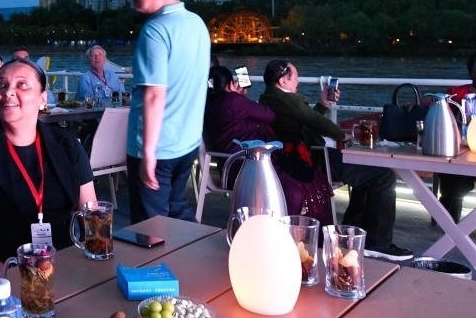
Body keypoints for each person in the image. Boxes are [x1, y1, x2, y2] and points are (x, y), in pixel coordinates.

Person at [0, 58, 97, 275]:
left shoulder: (67, 145)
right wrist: (16, 279)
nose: (8, 92)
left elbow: (92, 216)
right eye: (1, 85)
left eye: (22, 85)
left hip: (63, 269)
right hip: (1, 274)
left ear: (42, 99)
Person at [260, 59, 412, 261]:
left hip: (301, 157)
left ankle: (351, 234)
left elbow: (305, 120)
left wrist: (323, 104)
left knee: (369, 174)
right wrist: (342, 136)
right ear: (283, 81)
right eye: (295, 77)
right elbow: (314, 120)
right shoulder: (283, 100)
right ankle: (378, 243)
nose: (298, 81)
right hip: (311, 160)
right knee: (383, 176)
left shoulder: (271, 99)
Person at [126, 0, 210, 222]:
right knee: (176, 214)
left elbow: (154, 94)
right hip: (187, 144)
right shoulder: (197, 23)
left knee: (150, 228)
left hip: (158, 149)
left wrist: (148, 154)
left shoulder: (156, 30)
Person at [203, 66, 333, 225]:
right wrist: (240, 97)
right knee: (301, 186)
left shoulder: (209, 105)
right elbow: (269, 115)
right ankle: (286, 230)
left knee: (302, 179)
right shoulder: (233, 101)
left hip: (229, 167)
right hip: (247, 168)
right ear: (230, 84)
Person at [437, 52, 476, 222]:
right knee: (453, 180)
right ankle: (452, 226)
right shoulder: (457, 92)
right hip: (459, 149)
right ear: (470, 71)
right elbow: (441, 111)